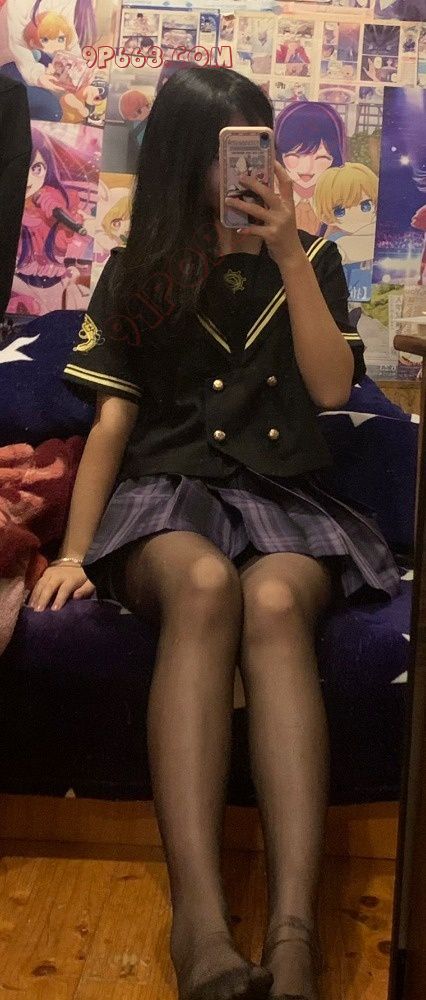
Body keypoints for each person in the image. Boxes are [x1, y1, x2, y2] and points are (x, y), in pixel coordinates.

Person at [29, 67, 400, 1000]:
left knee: (272, 598)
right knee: (203, 586)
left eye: (259, 145)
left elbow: (330, 389)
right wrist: (72, 552)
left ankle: (294, 936)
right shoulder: (141, 268)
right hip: (169, 497)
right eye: (230, 151)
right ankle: (199, 928)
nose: (251, 168)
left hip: (286, 495)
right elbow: (112, 422)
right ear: (187, 159)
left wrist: (288, 254)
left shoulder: (312, 260)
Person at [275, 101, 346, 237]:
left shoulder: (344, 204)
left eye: (321, 157)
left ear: (335, 158)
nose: (307, 167)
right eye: (294, 155)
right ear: (279, 155)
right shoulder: (269, 200)